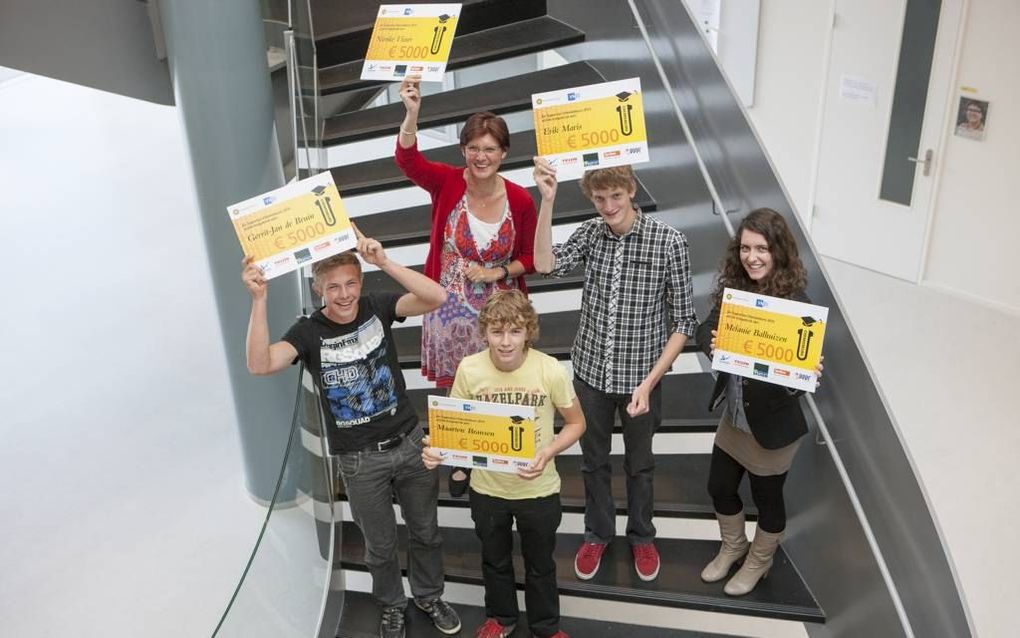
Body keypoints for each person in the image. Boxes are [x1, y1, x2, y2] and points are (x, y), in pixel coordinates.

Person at [242, 228, 460, 638]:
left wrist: (385, 262)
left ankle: (429, 596)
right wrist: (259, 300)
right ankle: (393, 605)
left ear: (361, 283)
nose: (343, 295)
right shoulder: (308, 332)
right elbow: (260, 364)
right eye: (333, 287)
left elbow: (437, 298)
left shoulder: (377, 306)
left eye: (351, 284)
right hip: (360, 461)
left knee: (426, 531)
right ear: (318, 288)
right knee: (379, 546)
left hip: (411, 444)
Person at [532, 159, 697, 583]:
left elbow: (683, 323)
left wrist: (650, 381)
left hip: (642, 380)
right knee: (593, 462)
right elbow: (546, 264)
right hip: (591, 375)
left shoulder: (668, 241)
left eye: (616, 196)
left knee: (640, 465)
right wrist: (547, 201)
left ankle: (642, 535)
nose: (608, 206)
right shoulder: (590, 232)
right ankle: (598, 533)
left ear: (632, 191)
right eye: (600, 198)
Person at [396, 75, 538, 498]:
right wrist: (412, 114)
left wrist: (497, 273)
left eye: (490, 149)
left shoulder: (521, 200)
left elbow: (531, 258)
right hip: (447, 306)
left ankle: (497, 450)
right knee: (453, 384)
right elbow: (408, 162)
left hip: (500, 308)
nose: (481, 156)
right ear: (463, 151)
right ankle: (459, 456)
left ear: (504, 153)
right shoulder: (446, 181)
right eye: (473, 148)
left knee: (500, 378)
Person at [422, 290, 585, 638]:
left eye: (515, 331)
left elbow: (577, 423)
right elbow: (455, 430)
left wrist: (549, 452)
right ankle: (502, 617)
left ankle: (546, 627)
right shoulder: (470, 368)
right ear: (484, 333)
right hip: (488, 489)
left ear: (529, 331)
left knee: (541, 565)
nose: (506, 341)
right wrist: (440, 451)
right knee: (494, 561)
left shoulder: (549, 369)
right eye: (497, 332)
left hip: (538, 489)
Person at [695, 208, 822, 596]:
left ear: (778, 252)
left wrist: (802, 376)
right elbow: (705, 328)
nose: (752, 257)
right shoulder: (737, 288)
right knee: (719, 486)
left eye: (762, 248)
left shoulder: (796, 303)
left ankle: (759, 559)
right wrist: (711, 344)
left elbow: (796, 384)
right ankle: (734, 546)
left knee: (767, 500)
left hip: (772, 428)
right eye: (746, 247)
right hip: (735, 418)